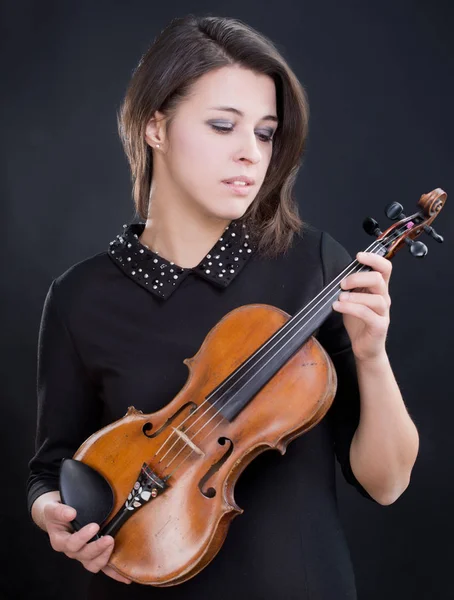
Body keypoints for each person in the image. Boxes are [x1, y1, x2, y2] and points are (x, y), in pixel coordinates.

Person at [26, 14, 419, 600]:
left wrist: (372, 356)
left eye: (264, 133)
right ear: (155, 126)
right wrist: (49, 514)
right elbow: (52, 466)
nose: (251, 155)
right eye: (221, 126)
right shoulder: (79, 297)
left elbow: (385, 484)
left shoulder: (312, 262)